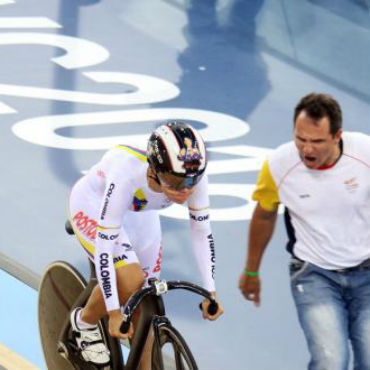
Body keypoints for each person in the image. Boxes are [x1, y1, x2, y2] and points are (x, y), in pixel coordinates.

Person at [68, 121, 223, 368]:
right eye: (173, 181)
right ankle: (84, 322)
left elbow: (202, 231)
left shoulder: (193, 175)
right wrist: (114, 312)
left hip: (139, 211)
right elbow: (106, 245)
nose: (184, 191)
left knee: (146, 301)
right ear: (153, 170)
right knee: (130, 281)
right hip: (95, 204)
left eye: (191, 182)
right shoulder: (126, 175)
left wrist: (210, 291)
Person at [239, 93, 370, 370]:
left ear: (337, 136)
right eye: (301, 139)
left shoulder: (366, 154)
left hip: (367, 272)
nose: (307, 150)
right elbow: (264, 215)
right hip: (313, 274)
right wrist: (251, 271)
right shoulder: (278, 164)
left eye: (317, 141)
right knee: (331, 361)